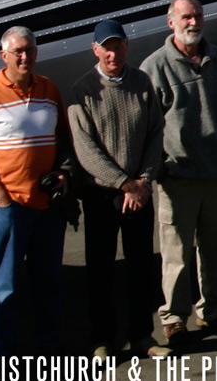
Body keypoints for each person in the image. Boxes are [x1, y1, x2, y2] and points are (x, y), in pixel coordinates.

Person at [140, 0, 217, 354]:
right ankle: (173, 320)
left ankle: (214, 310)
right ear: (171, 22)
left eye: (197, 15)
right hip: (178, 178)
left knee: (216, 248)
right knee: (176, 254)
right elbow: (148, 127)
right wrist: (159, 169)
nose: (193, 22)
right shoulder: (155, 67)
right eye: (185, 17)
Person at [0, 26, 72, 356]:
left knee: (48, 283)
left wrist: (64, 174)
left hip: (47, 206)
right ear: (4, 56)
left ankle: (48, 348)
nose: (25, 57)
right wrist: (1, 196)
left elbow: (63, 142)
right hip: (10, 207)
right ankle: (3, 352)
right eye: (18, 52)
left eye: (30, 50)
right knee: (5, 285)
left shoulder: (49, 90)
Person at [67, 19, 163, 358]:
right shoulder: (83, 91)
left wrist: (143, 182)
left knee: (141, 267)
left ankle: (142, 337)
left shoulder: (142, 83)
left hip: (138, 194)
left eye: (117, 45)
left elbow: (156, 135)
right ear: (95, 50)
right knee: (101, 270)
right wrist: (124, 183)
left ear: (126, 46)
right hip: (103, 196)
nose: (112, 53)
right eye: (106, 47)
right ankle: (102, 340)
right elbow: (85, 150)